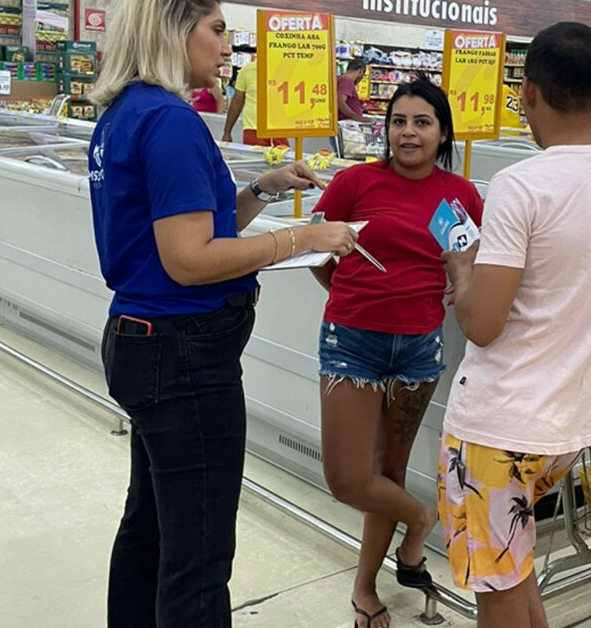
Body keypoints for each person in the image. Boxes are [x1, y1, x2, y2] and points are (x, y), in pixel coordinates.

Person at [87, 1, 357, 626]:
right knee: (199, 556)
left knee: (150, 525)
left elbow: (190, 231)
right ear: (172, 29)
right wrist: (302, 239)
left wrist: (261, 189)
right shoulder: (171, 121)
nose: (226, 46)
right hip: (185, 356)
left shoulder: (124, 113)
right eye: (216, 30)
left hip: (143, 341)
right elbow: (189, 259)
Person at [437, 22, 591, 628]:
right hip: (568, 423)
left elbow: (482, 323)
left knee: (496, 584)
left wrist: (462, 267)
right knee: (514, 568)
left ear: (528, 91)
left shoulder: (521, 184)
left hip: (498, 422)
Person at [310, 74, 484, 628]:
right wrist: (353, 294)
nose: (408, 133)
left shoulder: (461, 195)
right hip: (351, 343)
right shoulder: (354, 182)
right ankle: (421, 517)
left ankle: (365, 587)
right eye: (399, 122)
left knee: (388, 469)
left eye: (422, 123)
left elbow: (469, 262)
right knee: (347, 478)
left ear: (442, 133)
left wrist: (459, 281)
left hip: (418, 349)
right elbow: (317, 253)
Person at [222, 60, 289, 147]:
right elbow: (237, 102)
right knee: (254, 155)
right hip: (253, 129)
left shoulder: (286, 70)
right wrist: (227, 132)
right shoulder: (247, 70)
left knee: (283, 155)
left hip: (278, 129)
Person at [338, 58, 369, 123]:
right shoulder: (347, 80)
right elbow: (340, 102)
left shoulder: (342, 79)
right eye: (363, 75)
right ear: (360, 71)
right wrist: (358, 118)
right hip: (347, 123)